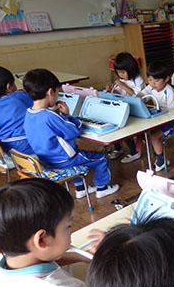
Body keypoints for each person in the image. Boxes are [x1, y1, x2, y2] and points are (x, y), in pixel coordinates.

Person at [23, 69, 119, 199]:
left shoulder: (29, 113)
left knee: (78, 160)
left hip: (46, 158)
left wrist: (56, 114)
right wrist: (67, 115)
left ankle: (81, 189)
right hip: (64, 159)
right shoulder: (50, 116)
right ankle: (102, 188)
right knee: (100, 158)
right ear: (50, 92)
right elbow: (74, 131)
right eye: (57, 92)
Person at [139, 61, 174, 172]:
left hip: (173, 122)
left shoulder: (169, 92)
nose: (152, 83)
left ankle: (160, 160)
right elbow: (142, 94)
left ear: (167, 79)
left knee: (154, 136)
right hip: (160, 119)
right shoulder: (151, 87)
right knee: (144, 132)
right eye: (150, 80)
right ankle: (158, 152)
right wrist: (138, 97)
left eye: (156, 80)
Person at [0, 65, 33, 155]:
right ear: (8, 87)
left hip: (5, 145)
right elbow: (37, 103)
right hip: (25, 143)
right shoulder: (19, 97)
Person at [107, 52, 145, 163]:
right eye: (118, 72)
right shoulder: (123, 80)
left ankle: (134, 151)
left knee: (123, 126)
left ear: (131, 69)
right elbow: (119, 93)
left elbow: (137, 97)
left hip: (137, 109)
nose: (121, 75)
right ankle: (118, 148)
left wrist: (123, 86)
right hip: (125, 108)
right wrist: (112, 90)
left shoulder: (138, 80)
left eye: (123, 72)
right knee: (112, 122)